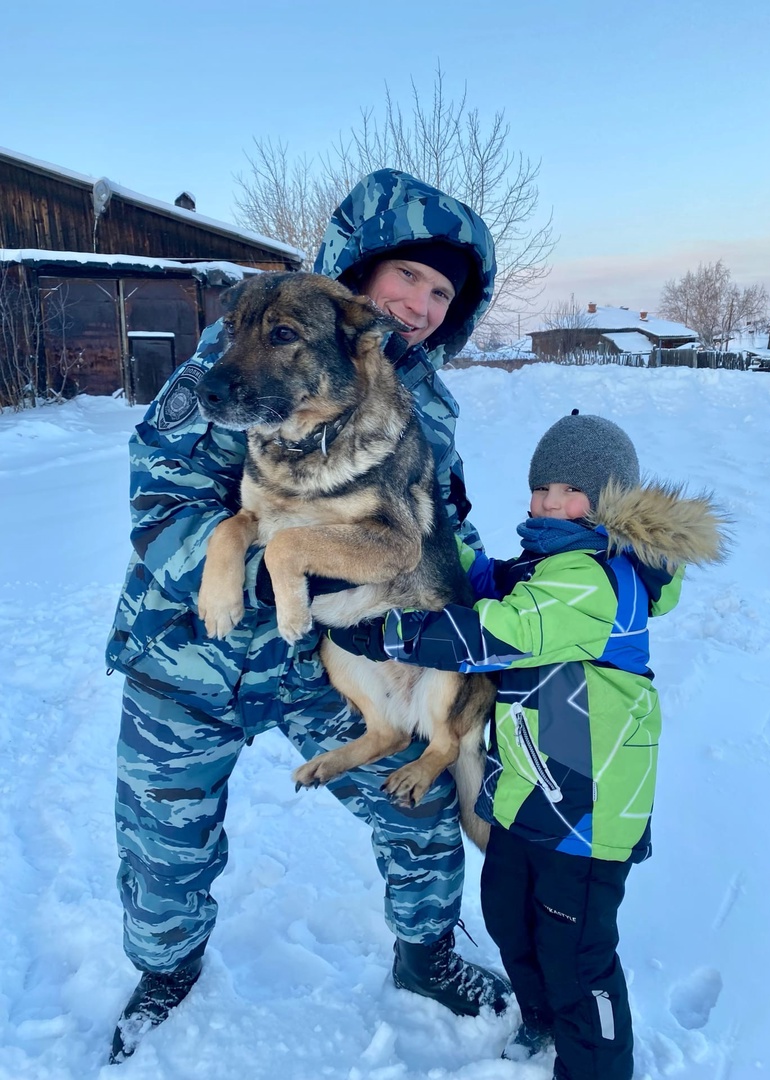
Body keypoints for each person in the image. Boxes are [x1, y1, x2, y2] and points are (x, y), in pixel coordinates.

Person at [105, 169, 511, 1063]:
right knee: (164, 836)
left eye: (442, 295)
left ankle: (427, 956)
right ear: (360, 270)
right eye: (408, 276)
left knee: (418, 806)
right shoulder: (239, 359)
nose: (420, 306)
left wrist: (496, 598)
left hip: (331, 660)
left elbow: (435, 520)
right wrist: (265, 576)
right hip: (190, 654)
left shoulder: (422, 402)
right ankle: (165, 970)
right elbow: (161, 506)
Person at [328, 412, 729, 1080]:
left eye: (568, 491)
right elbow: (487, 583)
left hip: (588, 812)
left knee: (577, 956)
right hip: (532, 792)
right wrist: (441, 530)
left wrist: (388, 634)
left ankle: (596, 1066)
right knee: (511, 919)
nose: (547, 502)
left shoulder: (599, 579)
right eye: (541, 488)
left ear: (609, 501)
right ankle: (544, 1019)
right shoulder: (551, 566)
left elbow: (499, 630)